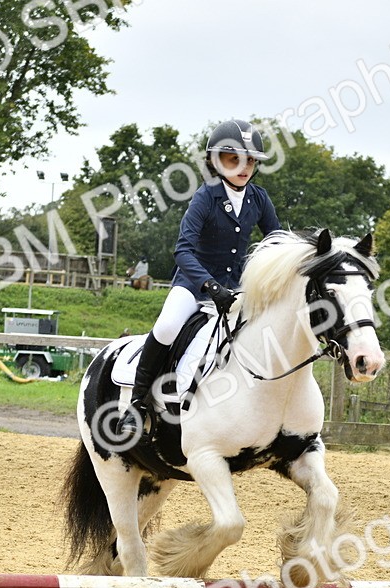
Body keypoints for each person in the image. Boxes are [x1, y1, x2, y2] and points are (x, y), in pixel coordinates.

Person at [119, 119, 281, 438]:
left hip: (237, 290)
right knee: (166, 327)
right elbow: (183, 249)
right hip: (194, 286)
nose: (244, 166)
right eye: (234, 159)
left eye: (250, 160)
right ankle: (137, 404)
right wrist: (209, 285)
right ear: (216, 161)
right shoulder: (206, 197)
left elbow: (276, 241)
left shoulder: (259, 199)